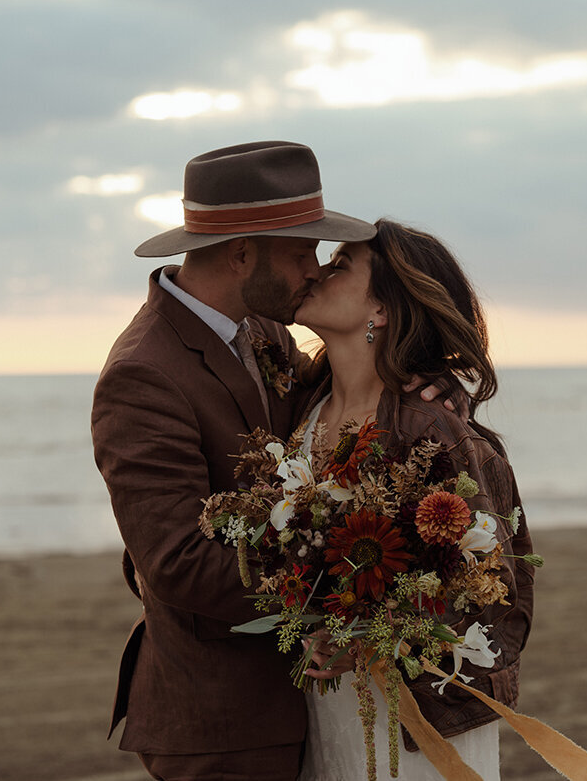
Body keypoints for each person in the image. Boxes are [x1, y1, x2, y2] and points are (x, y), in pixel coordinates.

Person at [90, 141, 378, 781]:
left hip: (298, 696)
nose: (315, 269)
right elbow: (176, 562)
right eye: (302, 251)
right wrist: (353, 590)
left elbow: (325, 408)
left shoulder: (262, 329)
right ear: (242, 253)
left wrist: (418, 382)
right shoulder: (144, 374)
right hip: (221, 718)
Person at [291, 219, 536, 780]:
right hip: (326, 705)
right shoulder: (304, 407)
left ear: (381, 309)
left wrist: (372, 637)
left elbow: (494, 589)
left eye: (341, 264)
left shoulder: (431, 429)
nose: (319, 272)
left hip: (421, 714)